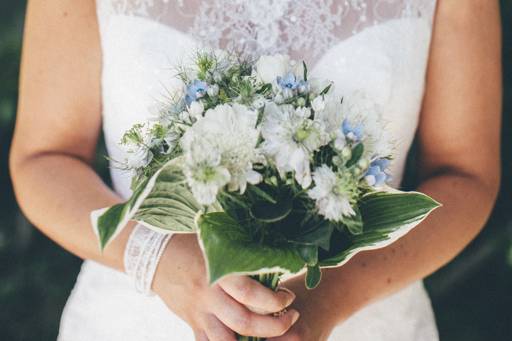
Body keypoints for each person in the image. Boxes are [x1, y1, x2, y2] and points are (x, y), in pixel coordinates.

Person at [9, 1, 501, 340]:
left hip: (368, 315)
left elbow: (465, 174)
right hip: (134, 318)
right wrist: (158, 259)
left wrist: (327, 299)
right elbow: (45, 158)